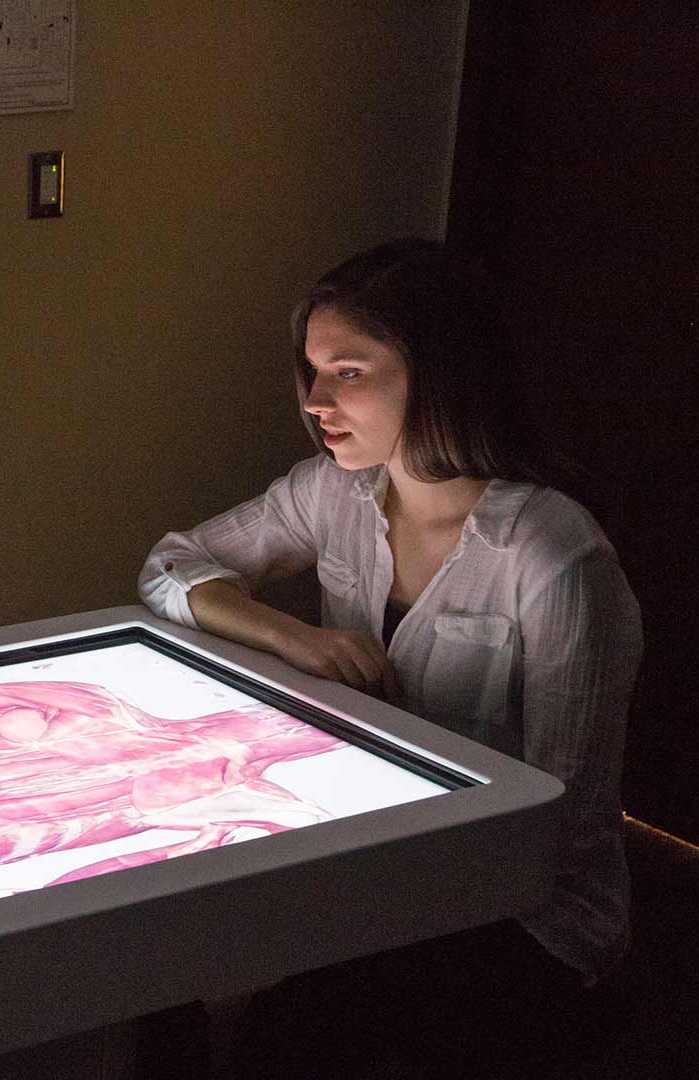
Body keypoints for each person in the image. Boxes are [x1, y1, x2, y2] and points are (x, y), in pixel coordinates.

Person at [138, 239, 642, 1075]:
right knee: (170, 980)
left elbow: (564, 821)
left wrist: (349, 900)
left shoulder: (553, 558)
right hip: (376, 859)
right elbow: (171, 567)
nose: (316, 402)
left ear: (437, 377)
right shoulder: (332, 492)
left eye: (350, 373)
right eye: (312, 373)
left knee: (292, 1030)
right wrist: (295, 636)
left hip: (525, 913)